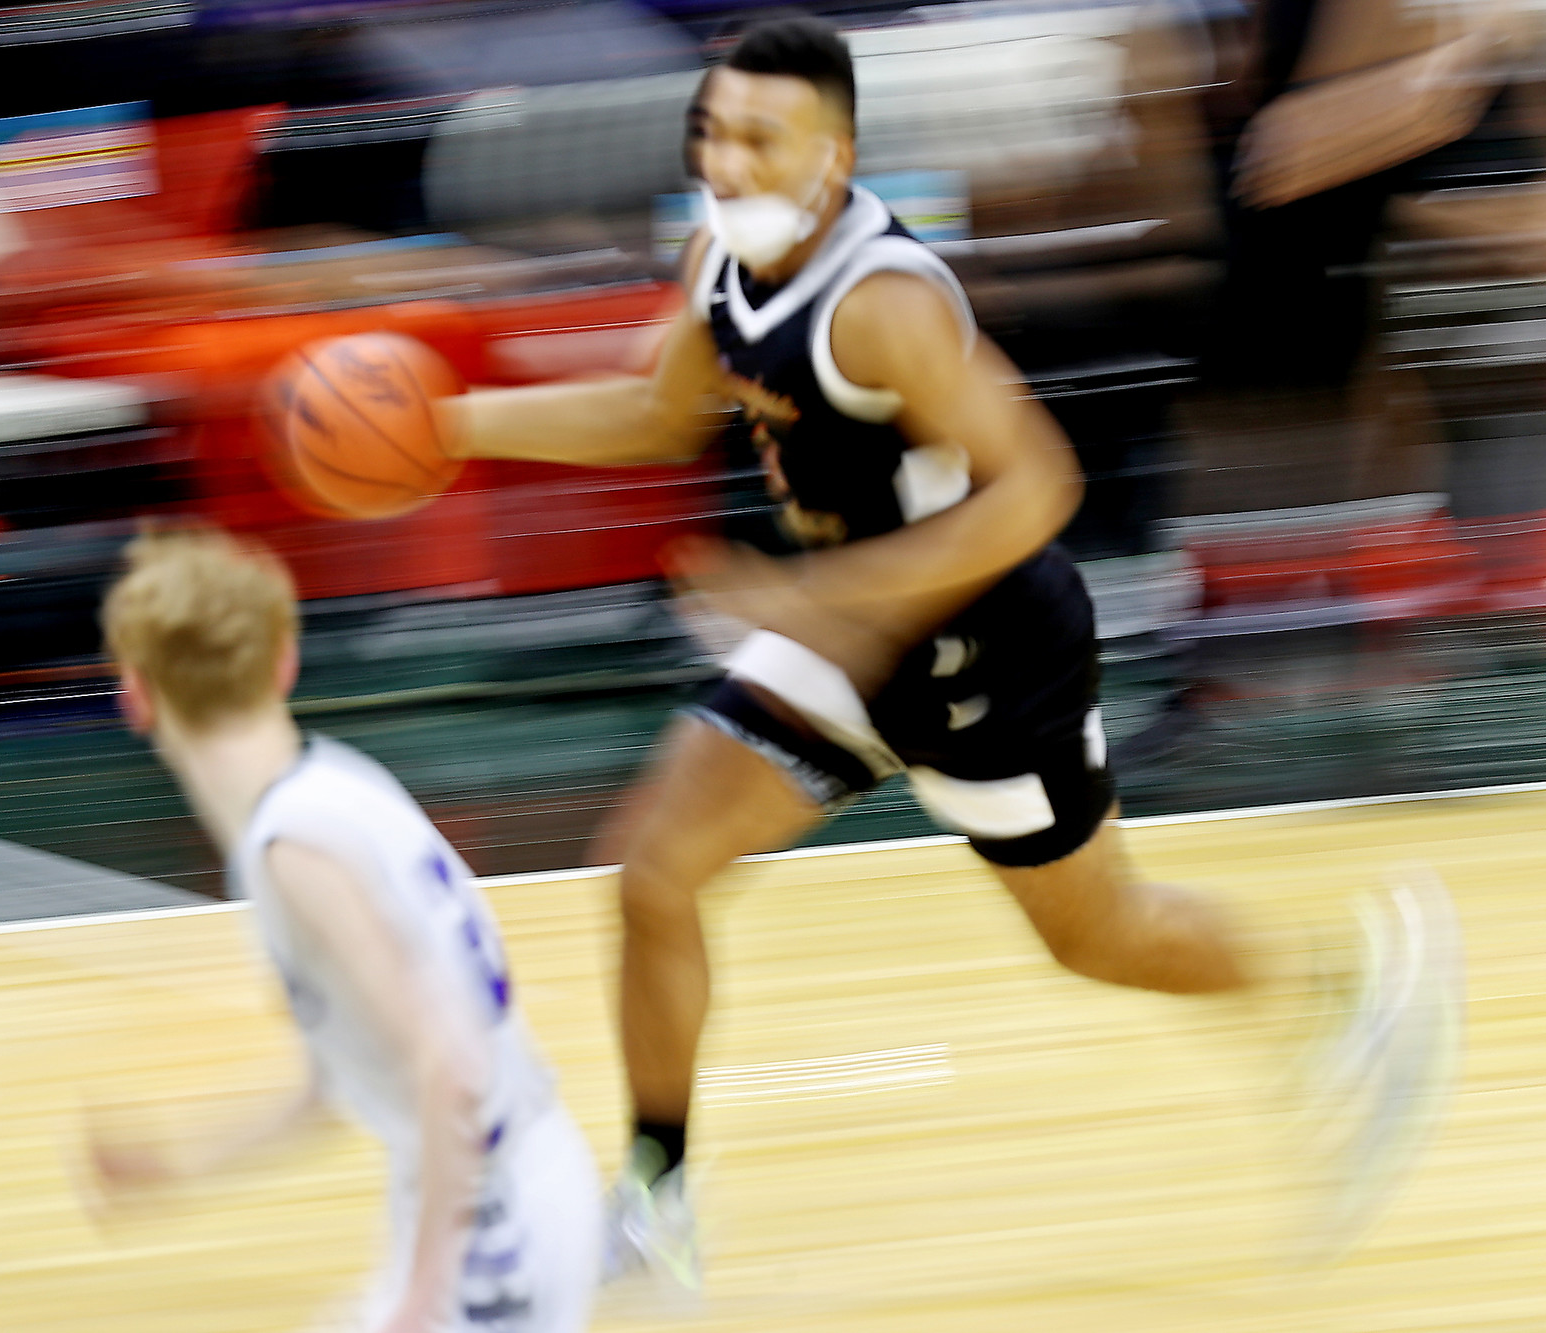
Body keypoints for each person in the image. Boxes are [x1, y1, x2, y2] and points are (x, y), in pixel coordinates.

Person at [438, 16, 1461, 1285]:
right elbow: (656, 409)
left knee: (1098, 939)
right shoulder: (717, 258)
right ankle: (658, 1201)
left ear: (834, 154)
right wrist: (446, 422)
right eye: (712, 130)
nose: (728, 158)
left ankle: (1339, 994)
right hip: (837, 633)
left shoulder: (882, 309)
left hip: (985, 655)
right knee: (651, 868)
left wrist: (819, 597)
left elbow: (1037, 485)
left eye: (761, 136)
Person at [86, 528, 601, 1332]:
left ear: (136, 695)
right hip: (489, 1185)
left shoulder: (296, 847)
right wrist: (181, 1164)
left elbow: (454, 1069)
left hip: (491, 1216)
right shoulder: (332, 789)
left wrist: (423, 1294)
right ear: (285, 660)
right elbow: (343, 1083)